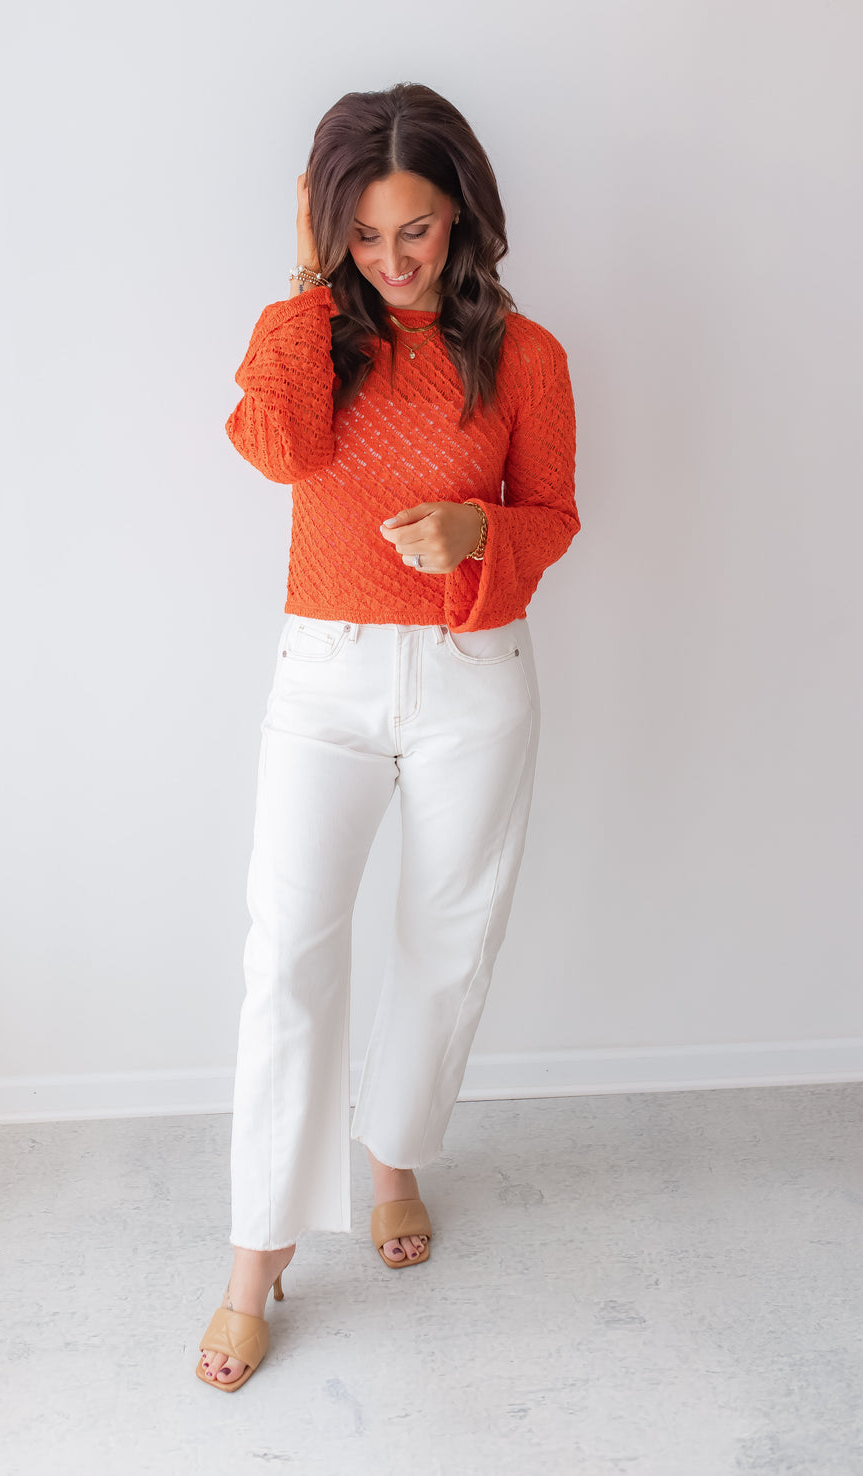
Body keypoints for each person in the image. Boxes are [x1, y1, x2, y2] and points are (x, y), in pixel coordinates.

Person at [197, 83, 580, 1392]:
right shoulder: (311, 332)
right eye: (364, 235)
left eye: (415, 231)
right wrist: (312, 286)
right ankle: (256, 1256)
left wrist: (484, 534)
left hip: (477, 673)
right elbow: (275, 447)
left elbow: (555, 517)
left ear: (462, 216)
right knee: (286, 954)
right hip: (329, 677)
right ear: (329, 233)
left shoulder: (526, 357)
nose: (395, 261)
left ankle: (396, 1158)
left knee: (447, 941)